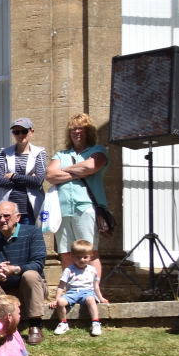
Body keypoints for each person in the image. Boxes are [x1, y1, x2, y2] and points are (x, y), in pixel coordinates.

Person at [0, 201, 48, 344]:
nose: (2, 220)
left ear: (17, 217)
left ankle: (35, 324)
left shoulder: (33, 232)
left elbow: (38, 264)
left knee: (30, 274)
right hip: (1, 289)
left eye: (6, 216)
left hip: (27, 288)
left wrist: (16, 270)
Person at [44, 113, 114, 269]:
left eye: (81, 128)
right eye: (73, 129)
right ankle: (70, 290)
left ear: (88, 131)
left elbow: (90, 166)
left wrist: (64, 170)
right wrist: (78, 172)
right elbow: (50, 174)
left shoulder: (98, 150)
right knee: (66, 253)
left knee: (89, 251)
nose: (76, 132)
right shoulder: (61, 154)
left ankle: (92, 291)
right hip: (62, 209)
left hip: (86, 207)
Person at [0, 118, 47, 224]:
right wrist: (29, 179)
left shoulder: (39, 152)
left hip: (29, 208)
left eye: (24, 131)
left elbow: (38, 181)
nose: (20, 135)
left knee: (27, 238)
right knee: (7, 239)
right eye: (16, 132)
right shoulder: (4, 153)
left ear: (31, 132)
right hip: (7, 210)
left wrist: (13, 176)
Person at [50, 239, 106, 337]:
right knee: (61, 302)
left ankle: (96, 322)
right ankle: (63, 323)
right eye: (78, 257)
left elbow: (95, 286)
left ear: (90, 256)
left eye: (85, 257)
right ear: (72, 256)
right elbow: (61, 286)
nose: (82, 260)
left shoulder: (92, 270)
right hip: (72, 292)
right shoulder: (68, 270)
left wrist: (101, 298)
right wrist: (57, 299)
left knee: (91, 299)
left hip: (87, 292)